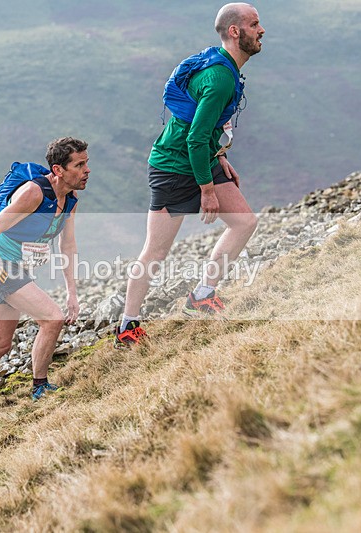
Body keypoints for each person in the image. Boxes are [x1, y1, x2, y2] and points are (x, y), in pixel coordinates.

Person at [115, 3, 263, 347]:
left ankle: (201, 296)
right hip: (172, 168)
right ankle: (127, 325)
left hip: (200, 158)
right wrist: (207, 190)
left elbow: (204, 129)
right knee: (155, 251)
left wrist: (219, 154)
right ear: (235, 32)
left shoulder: (223, 64)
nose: (262, 30)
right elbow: (195, 137)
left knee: (244, 221)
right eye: (254, 24)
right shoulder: (220, 77)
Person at [0, 137, 89, 426]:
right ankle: (40, 386)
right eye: (80, 165)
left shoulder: (70, 199)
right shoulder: (33, 193)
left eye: (87, 163)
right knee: (52, 319)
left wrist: (73, 293)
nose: (86, 170)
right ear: (59, 169)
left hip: (15, 268)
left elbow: (68, 246)